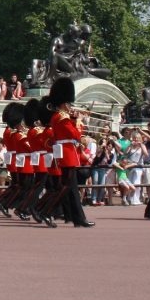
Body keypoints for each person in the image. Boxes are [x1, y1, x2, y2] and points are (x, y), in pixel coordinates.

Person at [43, 77, 94, 228]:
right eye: (69, 103)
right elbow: (76, 135)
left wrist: (73, 120)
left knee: (69, 189)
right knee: (67, 188)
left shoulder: (59, 117)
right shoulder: (62, 118)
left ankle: (78, 219)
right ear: (65, 103)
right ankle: (46, 210)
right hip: (67, 155)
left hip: (66, 154)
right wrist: (78, 122)